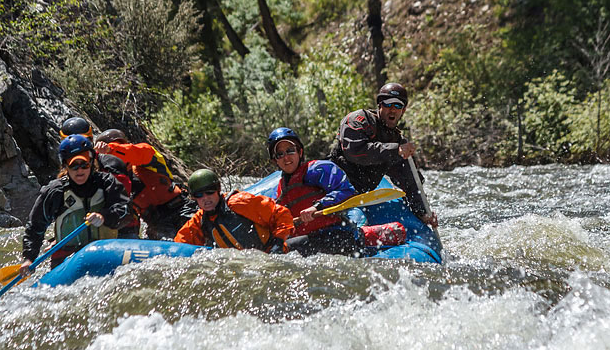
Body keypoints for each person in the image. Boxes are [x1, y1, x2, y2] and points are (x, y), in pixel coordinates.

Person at [327, 82, 438, 227]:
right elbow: (355, 152)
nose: (392, 110)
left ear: (403, 111)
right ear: (380, 105)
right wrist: (394, 150)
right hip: (335, 187)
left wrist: (423, 212)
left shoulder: (397, 140)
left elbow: (410, 180)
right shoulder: (359, 120)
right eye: (388, 105)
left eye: (397, 106)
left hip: (361, 194)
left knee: (405, 163)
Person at [20, 134, 130, 272]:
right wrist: (29, 258)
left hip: (105, 252)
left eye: (84, 164)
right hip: (68, 259)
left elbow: (125, 211)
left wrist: (104, 217)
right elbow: (35, 226)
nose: (80, 170)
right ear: (65, 166)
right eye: (74, 165)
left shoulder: (107, 183)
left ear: (92, 162)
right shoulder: (55, 191)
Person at [267, 127, 364, 256]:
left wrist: (316, 207)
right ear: (275, 160)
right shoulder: (280, 190)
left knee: (281, 252)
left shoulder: (317, 169)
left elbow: (346, 191)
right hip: (310, 239)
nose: (286, 157)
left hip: (336, 234)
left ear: (300, 152)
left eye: (290, 151)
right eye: (280, 154)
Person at [93, 128, 197, 240]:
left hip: (181, 209)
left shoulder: (147, 155)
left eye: (120, 145)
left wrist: (111, 149)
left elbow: (136, 152)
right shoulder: (112, 181)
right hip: (158, 223)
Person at [174, 169, 294, 253]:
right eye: (199, 195)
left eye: (209, 192)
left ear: (218, 189)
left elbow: (281, 213)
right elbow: (179, 245)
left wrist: (278, 242)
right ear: (194, 198)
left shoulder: (239, 202)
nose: (206, 198)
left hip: (276, 252)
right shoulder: (199, 221)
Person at [60, 118, 139, 238]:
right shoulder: (66, 173)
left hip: (121, 229)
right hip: (85, 233)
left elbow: (123, 204)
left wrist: (103, 217)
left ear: (90, 141)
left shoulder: (112, 164)